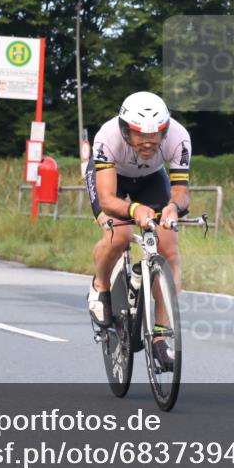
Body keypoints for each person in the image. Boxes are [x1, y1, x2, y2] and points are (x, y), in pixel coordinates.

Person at [84, 91, 191, 370]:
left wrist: (173, 208)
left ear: (165, 130)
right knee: (118, 237)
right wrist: (134, 210)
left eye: (155, 135)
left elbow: (181, 191)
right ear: (125, 130)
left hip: (151, 178)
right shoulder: (107, 137)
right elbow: (107, 199)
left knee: (169, 250)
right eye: (139, 135)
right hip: (112, 180)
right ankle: (100, 286)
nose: (148, 142)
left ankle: (160, 336)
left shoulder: (179, 137)